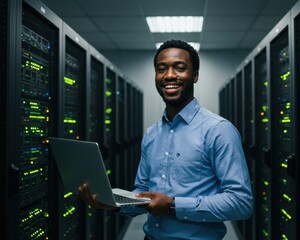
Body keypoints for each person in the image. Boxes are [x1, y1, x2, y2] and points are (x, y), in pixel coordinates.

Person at [79, 39, 253, 239]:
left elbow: (241, 203)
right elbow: (143, 193)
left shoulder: (219, 130)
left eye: (180, 68)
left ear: (195, 76)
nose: (169, 75)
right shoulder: (152, 133)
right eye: (161, 69)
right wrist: (111, 204)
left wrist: (173, 205)